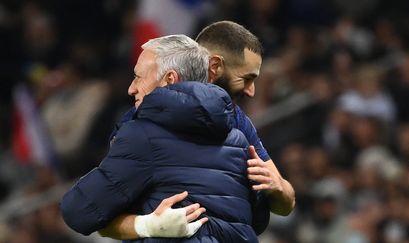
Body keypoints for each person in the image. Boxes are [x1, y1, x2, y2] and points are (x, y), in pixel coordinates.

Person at [99, 21, 296, 240]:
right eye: (247, 78)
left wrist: (277, 187)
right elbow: (101, 217)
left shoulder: (238, 121)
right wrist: (148, 225)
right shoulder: (138, 122)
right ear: (214, 66)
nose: (251, 91)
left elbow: (286, 203)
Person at [61, 34, 265, 243]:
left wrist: (146, 225)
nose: (132, 88)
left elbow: (78, 211)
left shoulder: (142, 136)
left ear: (169, 79)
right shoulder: (239, 139)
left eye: (139, 76)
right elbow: (258, 221)